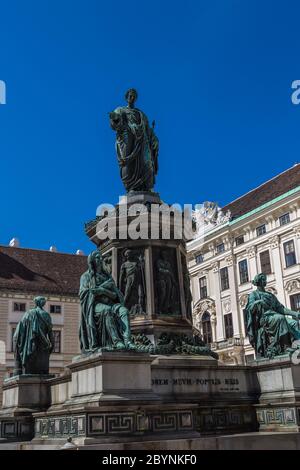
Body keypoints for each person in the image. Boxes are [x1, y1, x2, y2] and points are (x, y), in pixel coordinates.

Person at [79, 249, 135, 353]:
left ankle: (128, 341)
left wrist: (103, 290)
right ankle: (117, 342)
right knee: (107, 311)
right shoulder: (86, 277)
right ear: (92, 261)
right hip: (95, 305)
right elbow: (84, 293)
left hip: (112, 303)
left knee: (124, 311)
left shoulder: (108, 277)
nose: (101, 259)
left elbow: (115, 295)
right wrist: (103, 289)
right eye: (97, 257)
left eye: (101, 257)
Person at [109, 88, 159, 192]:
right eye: (130, 96)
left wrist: (154, 138)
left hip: (142, 142)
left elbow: (148, 129)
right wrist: (115, 119)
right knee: (128, 163)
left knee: (147, 162)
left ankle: (147, 187)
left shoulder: (141, 114)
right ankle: (131, 187)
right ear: (126, 97)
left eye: (134, 96)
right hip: (129, 139)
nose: (132, 98)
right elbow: (115, 123)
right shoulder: (120, 110)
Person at [245, 273, 300, 358]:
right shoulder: (254, 294)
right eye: (263, 279)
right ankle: (286, 346)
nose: (265, 281)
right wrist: (258, 302)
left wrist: (295, 313)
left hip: (274, 315)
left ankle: (297, 346)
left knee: (294, 323)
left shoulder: (270, 295)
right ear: (258, 281)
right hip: (265, 318)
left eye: (265, 279)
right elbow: (249, 308)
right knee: (280, 318)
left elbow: (281, 309)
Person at [13, 296, 54, 375]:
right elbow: (50, 333)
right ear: (43, 303)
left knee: (29, 371)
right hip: (43, 347)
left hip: (30, 346)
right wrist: (52, 345)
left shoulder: (27, 314)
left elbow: (19, 333)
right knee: (43, 372)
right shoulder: (46, 315)